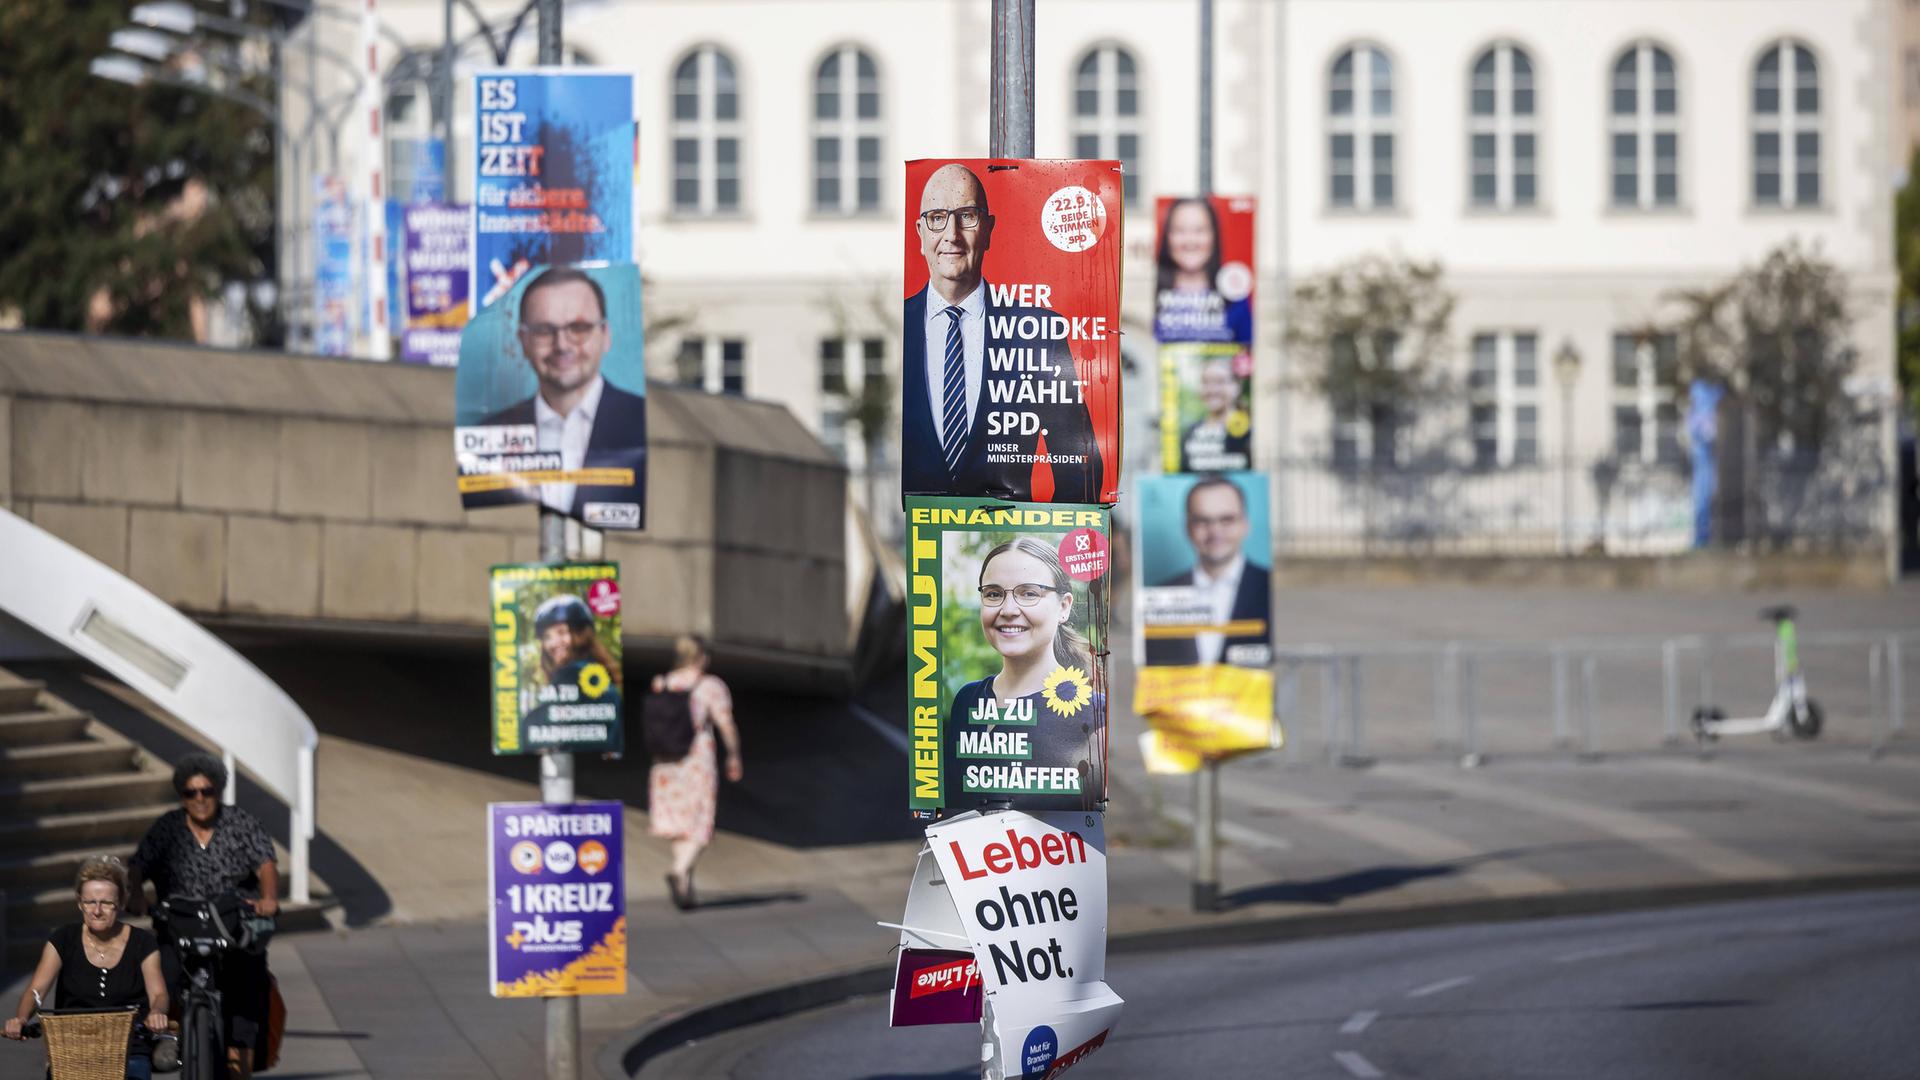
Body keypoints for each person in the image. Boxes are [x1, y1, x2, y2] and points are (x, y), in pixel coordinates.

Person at [902, 163, 1105, 502]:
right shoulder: (901, 325)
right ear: (920, 232)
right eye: (937, 217)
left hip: (1011, 543)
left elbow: (1080, 468)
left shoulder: (1038, 332)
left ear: (988, 230)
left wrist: (1039, 539)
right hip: (919, 542)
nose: (951, 234)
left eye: (967, 216)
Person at [126, 754, 277, 1080]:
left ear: (217, 790)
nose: (199, 799)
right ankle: (166, 1033)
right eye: (190, 793)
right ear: (182, 796)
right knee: (159, 969)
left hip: (231, 918)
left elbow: (265, 863)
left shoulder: (241, 822)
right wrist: (137, 894)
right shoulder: (168, 826)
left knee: (250, 976)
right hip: (178, 918)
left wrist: (268, 898)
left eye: (206, 791)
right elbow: (138, 864)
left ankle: (240, 1052)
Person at [469, 266, 648, 519]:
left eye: (578, 328)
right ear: (523, 341)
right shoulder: (487, 437)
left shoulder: (641, 424)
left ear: (605, 335)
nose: (562, 345)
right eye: (544, 330)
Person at [943, 537, 1107, 811]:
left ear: (1064, 607)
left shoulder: (1092, 714)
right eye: (994, 594)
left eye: (1029, 593)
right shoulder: (967, 699)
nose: (1007, 610)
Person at [6, 857, 169, 1080]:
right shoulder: (63, 939)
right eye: (90, 902)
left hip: (128, 1050)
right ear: (79, 903)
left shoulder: (143, 943)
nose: (97, 910)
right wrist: (22, 1017)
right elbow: (37, 990)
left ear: (121, 903)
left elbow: (158, 993)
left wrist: (157, 1012)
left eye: (106, 903)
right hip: (73, 1051)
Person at [648, 635, 742, 911]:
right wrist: (734, 754)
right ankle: (679, 870)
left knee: (679, 823)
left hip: (664, 760)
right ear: (701, 656)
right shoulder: (709, 685)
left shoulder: (661, 682)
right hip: (696, 759)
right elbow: (726, 723)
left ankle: (686, 888)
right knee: (700, 821)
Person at [1145, 475, 1272, 667]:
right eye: (1202, 521)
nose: (1215, 532)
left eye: (1226, 519)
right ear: (1188, 527)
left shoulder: (1266, 587)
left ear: (1245, 524)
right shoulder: (1159, 596)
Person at [522, 593, 624, 745]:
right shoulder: (599, 674)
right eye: (547, 637)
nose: (553, 643)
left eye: (561, 632)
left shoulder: (573, 674)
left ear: (582, 634)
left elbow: (535, 732)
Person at [1154, 197, 1252, 344]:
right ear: (1167, 237)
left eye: (1199, 230)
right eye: (1179, 230)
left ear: (1214, 236)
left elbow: (1246, 351)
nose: (1190, 240)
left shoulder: (1236, 302)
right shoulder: (1155, 297)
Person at [1178, 354, 1252, 472]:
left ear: (1237, 387)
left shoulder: (1249, 431)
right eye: (1205, 382)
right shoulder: (1190, 433)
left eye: (1220, 382)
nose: (1212, 390)